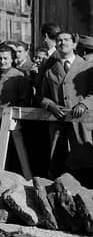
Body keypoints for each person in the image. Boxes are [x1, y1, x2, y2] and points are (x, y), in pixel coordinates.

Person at [39, 31, 93, 182]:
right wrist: (50, 105)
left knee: (85, 165)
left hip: (82, 124)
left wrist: (84, 103)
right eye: (59, 40)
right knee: (59, 165)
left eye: (66, 40)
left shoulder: (87, 67)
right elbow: (42, 97)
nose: (62, 43)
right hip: (58, 125)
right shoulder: (50, 71)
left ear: (75, 44)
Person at [0, 44, 32, 166]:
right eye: (0, 58)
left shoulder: (19, 76)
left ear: (12, 59)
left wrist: (16, 120)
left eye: (6, 58)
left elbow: (24, 100)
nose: (2, 61)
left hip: (9, 123)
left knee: (9, 156)